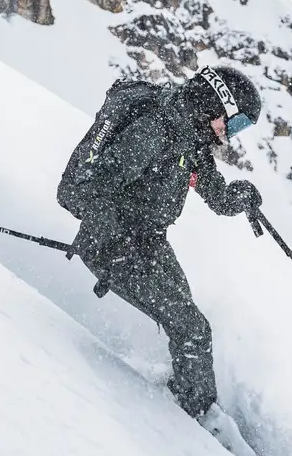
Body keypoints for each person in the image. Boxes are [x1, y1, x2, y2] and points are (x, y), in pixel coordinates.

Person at [59, 64, 262, 420]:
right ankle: (193, 418)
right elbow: (86, 190)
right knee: (193, 329)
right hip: (115, 245)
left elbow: (215, 195)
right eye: (234, 123)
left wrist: (240, 197)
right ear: (216, 104)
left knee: (189, 321)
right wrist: (114, 244)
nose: (231, 135)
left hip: (148, 242)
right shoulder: (155, 130)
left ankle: (186, 396)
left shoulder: (192, 136)